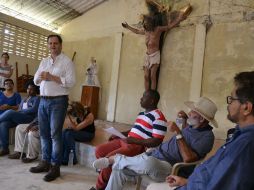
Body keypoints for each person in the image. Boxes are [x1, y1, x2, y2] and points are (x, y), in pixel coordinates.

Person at [147, 71, 254, 190]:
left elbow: (217, 183)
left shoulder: (243, 145)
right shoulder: (238, 135)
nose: (228, 105)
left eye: (232, 100)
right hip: (185, 179)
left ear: (246, 108)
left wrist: (178, 132)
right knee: (130, 171)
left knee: (143, 170)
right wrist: (187, 181)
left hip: (173, 170)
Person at [93, 96, 218, 190]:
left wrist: (178, 133)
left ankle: (115, 159)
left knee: (148, 163)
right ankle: (117, 161)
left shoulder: (207, 137)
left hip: (170, 167)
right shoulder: (192, 127)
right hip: (155, 154)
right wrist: (185, 120)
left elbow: (189, 159)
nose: (190, 113)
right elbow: (187, 136)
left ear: (201, 118)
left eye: (193, 112)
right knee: (119, 170)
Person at [90, 90, 168, 190]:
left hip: (137, 146)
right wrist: (119, 134)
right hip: (126, 141)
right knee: (99, 150)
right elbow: (135, 129)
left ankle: (99, 187)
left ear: (152, 101)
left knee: (109, 159)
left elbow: (156, 141)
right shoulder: (142, 113)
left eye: (144, 97)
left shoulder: (159, 117)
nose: (141, 98)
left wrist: (134, 141)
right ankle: (107, 177)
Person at [30, 34, 76, 182]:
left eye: (55, 43)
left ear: (61, 45)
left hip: (58, 101)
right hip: (42, 100)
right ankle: (45, 162)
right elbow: (36, 80)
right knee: (43, 133)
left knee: (55, 134)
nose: (53, 46)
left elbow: (71, 82)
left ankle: (55, 167)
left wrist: (52, 77)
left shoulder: (67, 61)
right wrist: (40, 77)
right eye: (50, 43)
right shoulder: (44, 61)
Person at [122, 5, 191, 90]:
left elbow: (169, 27)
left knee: (152, 76)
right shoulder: (146, 31)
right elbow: (136, 31)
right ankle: (147, 93)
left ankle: (152, 93)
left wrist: (179, 19)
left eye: (146, 22)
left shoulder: (158, 29)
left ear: (150, 22)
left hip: (155, 55)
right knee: (146, 76)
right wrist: (128, 26)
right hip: (147, 56)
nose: (144, 24)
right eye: (144, 22)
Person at [0, 81, 39, 156]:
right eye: (28, 89)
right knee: (3, 124)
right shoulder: (24, 99)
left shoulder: (36, 99)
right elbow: (20, 108)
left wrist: (21, 111)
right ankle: (5, 148)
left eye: (32, 89)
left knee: (10, 111)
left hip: (30, 119)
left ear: (35, 90)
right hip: (20, 118)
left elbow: (33, 109)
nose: (29, 91)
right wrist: (20, 111)